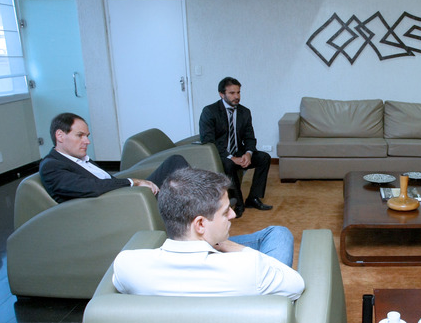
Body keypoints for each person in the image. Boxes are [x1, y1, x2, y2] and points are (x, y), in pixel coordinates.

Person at [112, 167, 304, 300]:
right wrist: (238, 249)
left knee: (277, 233)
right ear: (200, 224)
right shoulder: (250, 268)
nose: (233, 215)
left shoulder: (126, 265)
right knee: (278, 234)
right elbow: (296, 284)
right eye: (226, 211)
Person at [40, 112, 188, 203]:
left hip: (126, 194)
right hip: (117, 204)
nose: (87, 141)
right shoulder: (51, 166)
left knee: (174, 162)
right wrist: (133, 182)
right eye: (80, 135)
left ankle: (194, 206)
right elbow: (90, 187)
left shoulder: (79, 158)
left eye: (87, 136)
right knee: (179, 184)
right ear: (60, 136)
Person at [200, 76, 272, 215]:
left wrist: (248, 153)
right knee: (229, 164)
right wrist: (231, 157)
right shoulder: (210, 111)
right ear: (221, 94)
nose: (237, 96)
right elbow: (208, 141)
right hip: (219, 154)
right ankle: (238, 203)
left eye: (238, 92)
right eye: (232, 93)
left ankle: (253, 198)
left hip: (238, 151)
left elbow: (249, 137)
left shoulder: (245, 112)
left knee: (264, 158)